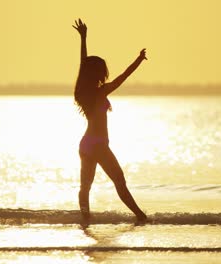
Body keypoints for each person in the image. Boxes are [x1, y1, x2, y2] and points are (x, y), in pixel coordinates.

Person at [72, 18, 147, 223]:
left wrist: (84, 38)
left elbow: (82, 65)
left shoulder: (82, 92)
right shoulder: (100, 92)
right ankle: (141, 217)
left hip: (86, 144)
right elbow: (122, 77)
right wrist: (138, 61)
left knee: (85, 186)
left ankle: (85, 219)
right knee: (120, 181)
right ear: (98, 73)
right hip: (97, 144)